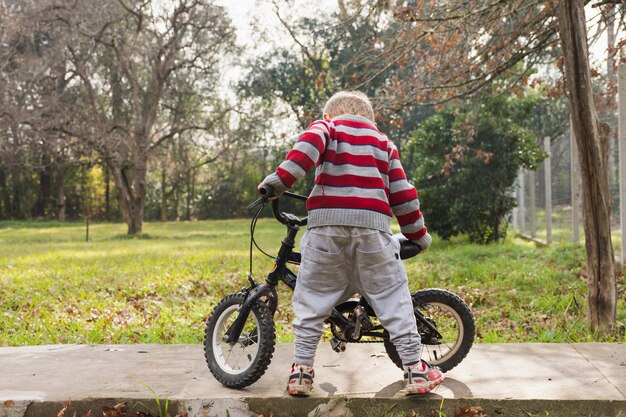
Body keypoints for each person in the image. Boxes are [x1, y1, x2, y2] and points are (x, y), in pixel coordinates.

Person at [258, 90, 444, 396]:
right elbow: (403, 195)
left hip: (325, 232)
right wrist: (417, 236)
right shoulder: (384, 143)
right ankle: (415, 371)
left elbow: (304, 151)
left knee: (311, 299)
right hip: (373, 232)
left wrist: (278, 183)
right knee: (393, 296)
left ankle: (302, 373)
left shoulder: (327, 127)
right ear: (369, 119)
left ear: (330, 114)